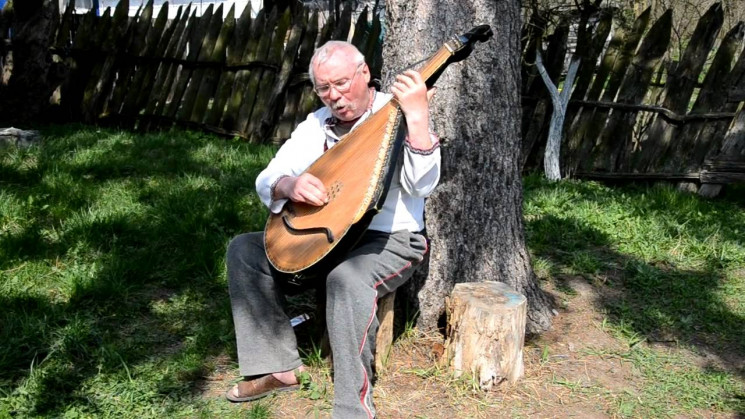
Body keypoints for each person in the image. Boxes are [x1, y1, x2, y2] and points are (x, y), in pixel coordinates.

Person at [225, 40, 441, 418]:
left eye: (342, 83)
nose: (335, 96)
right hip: (328, 235)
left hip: (392, 239)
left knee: (346, 279)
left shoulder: (396, 113)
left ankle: (351, 409)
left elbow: (421, 186)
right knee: (245, 251)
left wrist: (419, 117)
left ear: (365, 74)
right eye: (324, 88)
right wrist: (288, 186)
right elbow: (268, 178)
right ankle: (279, 367)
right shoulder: (316, 125)